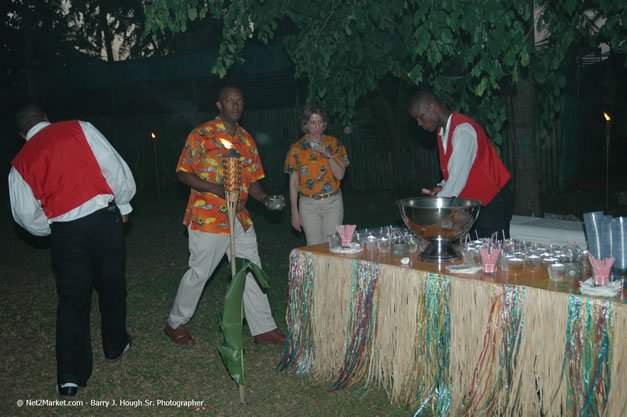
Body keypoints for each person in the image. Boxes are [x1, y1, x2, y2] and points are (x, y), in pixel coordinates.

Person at [9, 105, 136, 400]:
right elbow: (115, 169)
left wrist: (58, 225)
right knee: (112, 286)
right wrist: (123, 203)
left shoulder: (19, 163)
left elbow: (27, 218)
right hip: (104, 221)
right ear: (46, 119)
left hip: (66, 233)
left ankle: (70, 377)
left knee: (72, 302)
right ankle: (115, 346)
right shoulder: (80, 127)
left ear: (21, 135)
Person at [164, 86, 286, 346]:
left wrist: (264, 198)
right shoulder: (202, 134)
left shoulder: (247, 140)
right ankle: (175, 322)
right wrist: (214, 188)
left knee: (251, 270)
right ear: (219, 105)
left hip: (239, 217)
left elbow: (252, 181)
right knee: (200, 273)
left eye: (240, 101)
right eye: (229, 101)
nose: (235, 105)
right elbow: (183, 172)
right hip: (208, 216)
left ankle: (263, 327)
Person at [408, 90, 513, 238]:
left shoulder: (463, 130)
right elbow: (457, 170)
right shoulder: (442, 132)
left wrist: (433, 209)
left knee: (492, 257)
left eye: (421, 117)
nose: (419, 123)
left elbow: (457, 181)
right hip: (474, 206)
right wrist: (443, 186)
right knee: (473, 255)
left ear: (432, 107)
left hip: (492, 203)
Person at [284, 104, 350, 245]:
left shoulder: (334, 144)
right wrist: (294, 212)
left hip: (332, 202)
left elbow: (340, 175)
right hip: (308, 205)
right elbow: (293, 183)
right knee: (314, 248)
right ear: (305, 125)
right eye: (313, 123)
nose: (317, 127)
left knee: (332, 247)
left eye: (320, 122)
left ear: (325, 123)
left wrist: (327, 154)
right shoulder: (296, 149)